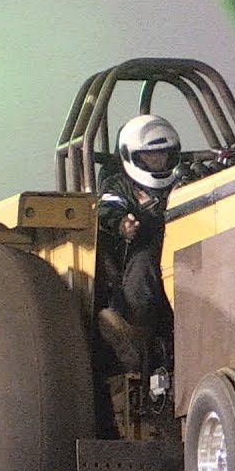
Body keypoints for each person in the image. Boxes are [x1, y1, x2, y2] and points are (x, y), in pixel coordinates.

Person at [95, 114, 183, 374]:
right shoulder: (119, 185)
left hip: (186, 248)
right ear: (131, 156)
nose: (157, 161)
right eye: (149, 157)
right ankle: (136, 338)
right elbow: (107, 209)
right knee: (144, 267)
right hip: (141, 254)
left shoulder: (185, 179)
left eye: (162, 155)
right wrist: (122, 223)